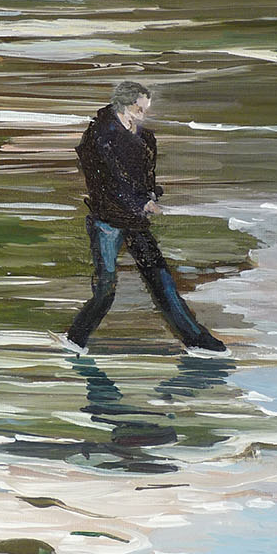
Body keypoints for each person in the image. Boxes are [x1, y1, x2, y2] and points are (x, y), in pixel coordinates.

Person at [60, 82, 227, 355]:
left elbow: (145, 177)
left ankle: (196, 340)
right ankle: (76, 337)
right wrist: (140, 202)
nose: (144, 114)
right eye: (139, 109)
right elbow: (108, 181)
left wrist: (150, 195)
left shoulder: (145, 138)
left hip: (135, 220)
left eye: (146, 108)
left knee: (162, 281)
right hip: (107, 220)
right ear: (122, 105)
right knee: (106, 288)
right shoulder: (99, 136)